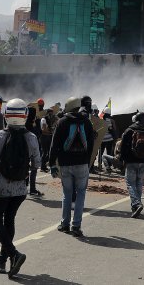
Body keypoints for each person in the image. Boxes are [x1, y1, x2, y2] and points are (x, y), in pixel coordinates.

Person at [0, 98, 40, 278]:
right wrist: (23, 172)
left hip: (0, 187)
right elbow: (36, 163)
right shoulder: (31, 137)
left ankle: (14, 254)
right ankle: (2, 260)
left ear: (6, 115)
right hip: (20, 190)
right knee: (9, 220)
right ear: (25, 115)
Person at [49, 97, 94, 237]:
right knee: (81, 194)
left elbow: (54, 144)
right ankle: (76, 226)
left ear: (68, 106)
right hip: (82, 164)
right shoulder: (86, 121)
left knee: (67, 194)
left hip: (65, 164)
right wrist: (88, 162)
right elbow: (91, 144)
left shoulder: (62, 122)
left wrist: (51, 164)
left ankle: (65, 224)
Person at [121, 112, 144, 218]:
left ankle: (136, 204)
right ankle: (135, 207)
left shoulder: (129, 130)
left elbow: (123, 147)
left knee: (130, 184)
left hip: (131, 161)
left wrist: (123, 160)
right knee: (139, 184)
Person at [97, 107, 118, 171]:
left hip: (102, 139)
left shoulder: (100, 120)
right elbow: (114, 130)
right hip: (109, 139)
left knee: (101, 152)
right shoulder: (112, 121)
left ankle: (99, 165)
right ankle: (108, 166)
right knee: (109, 153)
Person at [39, 107, 55, 173]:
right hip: (44, 137)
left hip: (48, 136)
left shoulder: (49, 119)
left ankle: (45, 166)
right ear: (48, 113)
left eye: (52, 112)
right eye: (50, 112)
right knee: (44, 152)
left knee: (49, 152)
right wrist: (50, 131)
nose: (51, 114)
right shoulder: (44, 119)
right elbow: (43, 129)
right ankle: (42, 167)